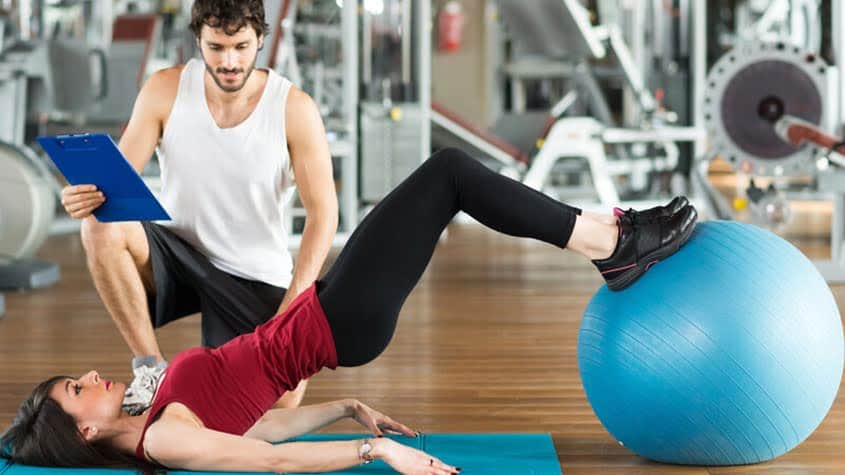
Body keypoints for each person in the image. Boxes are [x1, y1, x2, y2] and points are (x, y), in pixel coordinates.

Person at [2, 149, 697, 474]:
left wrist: (345, 407)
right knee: (447, 174)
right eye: (75, 388)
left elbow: (260, 425)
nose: (89, 375)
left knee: (438, 179)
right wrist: (376, 450)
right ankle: (612, 242)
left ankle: (615, 234)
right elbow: (265, 462)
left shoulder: (157, 422)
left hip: (325, 310)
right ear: (86, 429)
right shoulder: (162, 442)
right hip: (339, 321)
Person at [59, 0, 338, 414]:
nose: (229, 61)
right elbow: (114, 184)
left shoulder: (293, 108)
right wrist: (81, 196)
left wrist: (295, 301)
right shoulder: (164, 89)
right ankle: (150, 370)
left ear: (261, 39)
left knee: (279, 406)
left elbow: (323, 214)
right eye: (216, 47)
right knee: (100, 225)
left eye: (242, 47)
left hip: (253, 272)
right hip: (178, 254)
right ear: (198, 40)